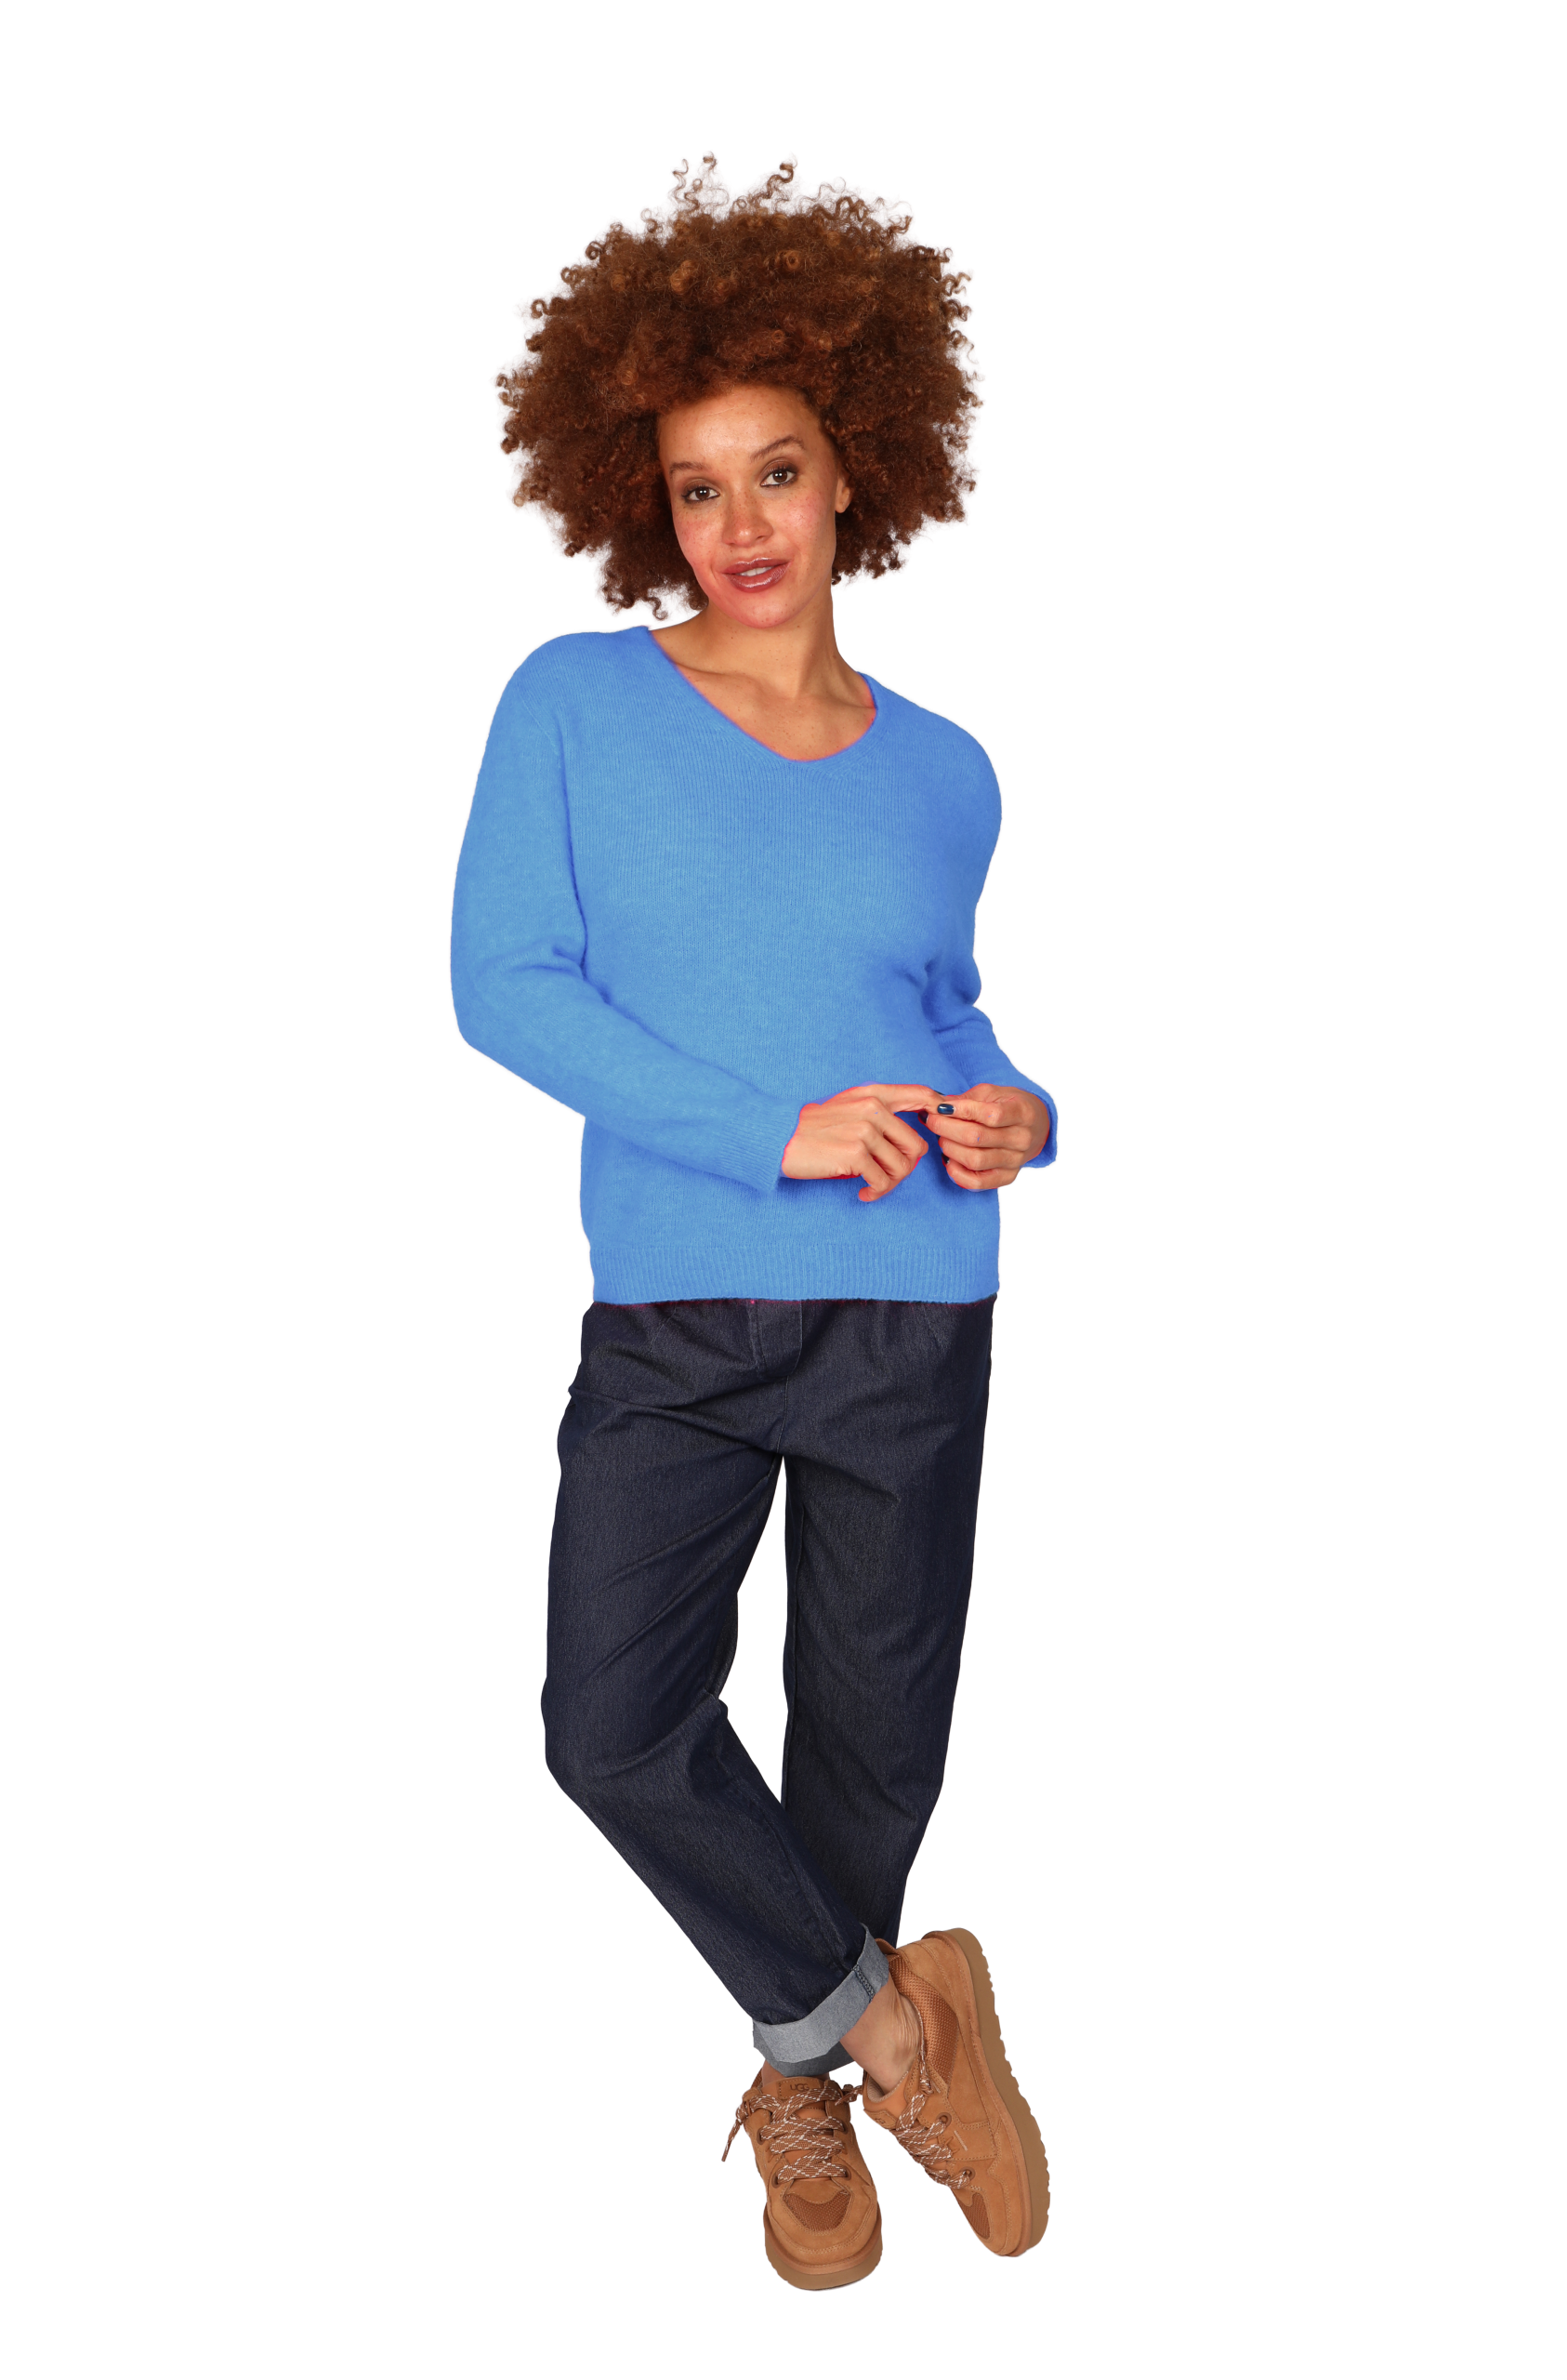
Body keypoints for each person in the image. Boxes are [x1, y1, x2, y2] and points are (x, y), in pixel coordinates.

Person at [452, 161, 1057, 2290]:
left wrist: (1017, 1105)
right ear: (650, 504)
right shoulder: (572, 700)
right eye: (697, 484)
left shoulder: (947, 768)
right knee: (612, 1721)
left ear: (850, 468)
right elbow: (506, 984)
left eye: (776, 468)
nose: (740, 521)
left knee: (870, 1744)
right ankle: (889, 2026)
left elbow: (939, 1003)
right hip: (681, 1307)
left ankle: (805, 2082)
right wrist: (767, 1131)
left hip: (916, 1296)